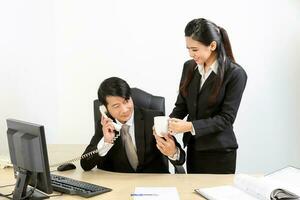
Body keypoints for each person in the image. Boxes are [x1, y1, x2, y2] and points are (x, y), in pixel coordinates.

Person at [168, 18, 247, 174]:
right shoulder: (189, 67)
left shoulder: (235, 74)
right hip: (194, 148)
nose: (191, 54)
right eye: (188, 49)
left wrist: (189, 126)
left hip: (220, 152)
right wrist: (166, 125)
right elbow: (181, 106)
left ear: (212, 45)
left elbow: (226, 118)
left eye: (195, 49)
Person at [80, 77, 185, 173]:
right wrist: (106, 142)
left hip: (153, 184)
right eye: (116, 106)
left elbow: (180, 160)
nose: (125, 110)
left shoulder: (154, 118)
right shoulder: (105, 125)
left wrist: (173, 152)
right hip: (119, 187)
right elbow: (85, 164)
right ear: (105, 109)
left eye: (126, 101)